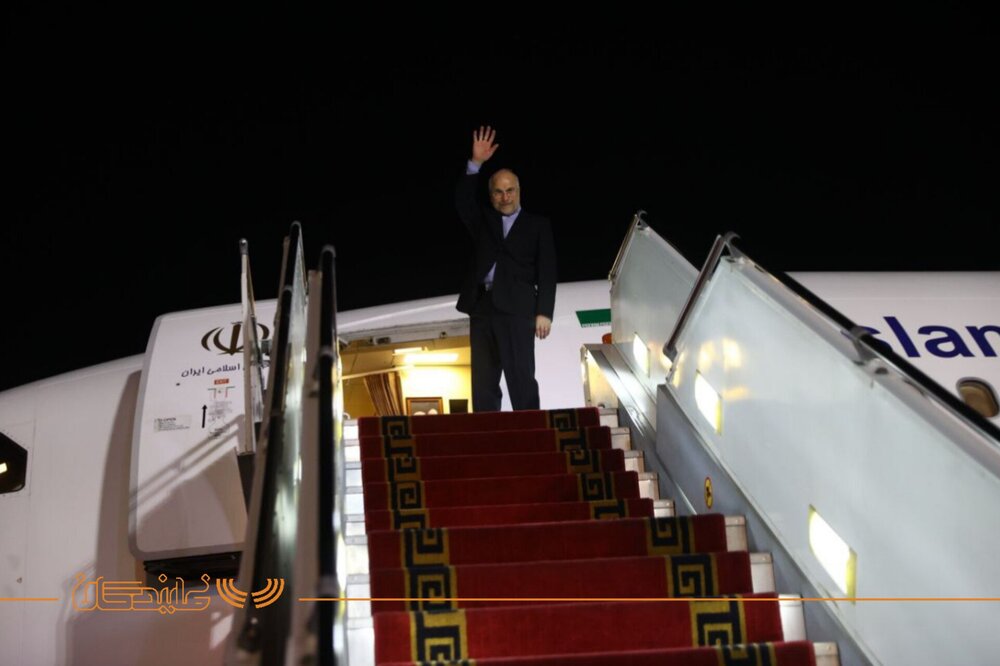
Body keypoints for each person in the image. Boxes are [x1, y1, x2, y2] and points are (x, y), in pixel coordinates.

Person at [454, 126, 556, 412]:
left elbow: (548, 270)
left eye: (510, 190)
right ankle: (488, 433)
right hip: (482, 306)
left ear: (519, 192)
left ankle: (531, 430)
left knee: (521, 377)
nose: (505, 196)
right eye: (498, 192)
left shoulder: (537, 225)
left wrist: (544, 312)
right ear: (492, 196)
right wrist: (475, 163)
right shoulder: (483, 221)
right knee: (483, 382)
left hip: (518, 308)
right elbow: (462, 201)